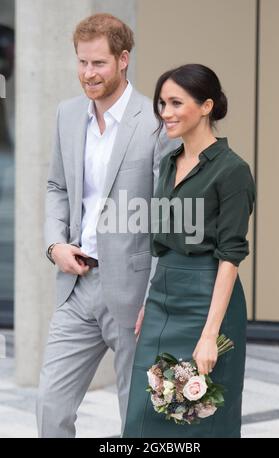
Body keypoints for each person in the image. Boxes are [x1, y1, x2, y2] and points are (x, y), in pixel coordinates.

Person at [36, 13, 178, 438]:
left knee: (136, 416)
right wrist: (54, 244)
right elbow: (57, 186)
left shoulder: (156, 122)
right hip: (77, 286)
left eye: (98, 63)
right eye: (81, 62)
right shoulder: (68, 114)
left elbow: (164, 215)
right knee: (50, 406)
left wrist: (154, 294)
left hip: (133, 292)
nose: (88, 73)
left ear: (123, 60)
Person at [123, 63, 256, 438]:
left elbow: (231, 254)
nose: (165, 113)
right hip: (163, 296)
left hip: (207, 300)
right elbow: (163, 242)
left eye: (176, 103)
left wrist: (211, 333)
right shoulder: (169, 163)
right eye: (161, 103)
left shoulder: (232, 171)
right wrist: (151, 300)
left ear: (206, 106)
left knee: (202, 419)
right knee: (142, 415)